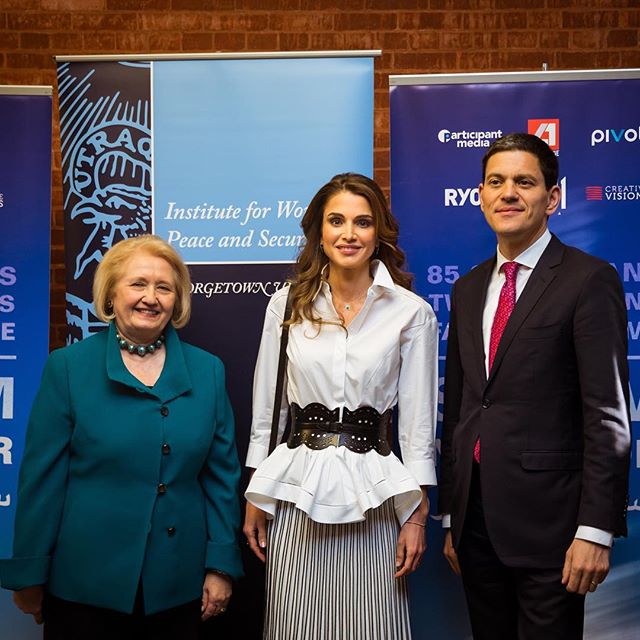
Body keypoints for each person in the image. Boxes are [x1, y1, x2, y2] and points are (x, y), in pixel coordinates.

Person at [0, 235, 243, 639]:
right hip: (84, 585)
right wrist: (29, 573)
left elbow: (221, 480)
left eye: (164, 287)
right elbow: (42, 481)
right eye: (138, 284)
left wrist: (221, 566)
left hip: (178, 585)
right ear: (111, 294)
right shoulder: (68, 368)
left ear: (177, 300)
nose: (151, 297)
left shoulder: (208, 371)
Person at [439, 133, 631, 639]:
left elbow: (606, 414)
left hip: (555, 530)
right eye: (496, 182)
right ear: (481, 195)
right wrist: (452, 517)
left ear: (552, 198)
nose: (508, 193)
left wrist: (595, 530)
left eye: (524, 182)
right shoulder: (467, 288)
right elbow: (460, 408)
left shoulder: (588, 280)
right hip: (475, 525)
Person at [243, 172, 438, 639]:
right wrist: (255, 494)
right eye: (336, 221)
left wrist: (416, 516)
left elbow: (417, 427)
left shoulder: (411, 312)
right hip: (297, 492)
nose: (349, 234)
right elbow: (268, 414)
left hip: (374, 497)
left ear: (379, 232)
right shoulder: (285, 305)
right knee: (295, 626)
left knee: (373, 626)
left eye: (362, 222)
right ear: (319, 231)